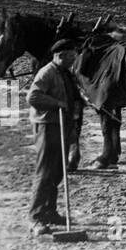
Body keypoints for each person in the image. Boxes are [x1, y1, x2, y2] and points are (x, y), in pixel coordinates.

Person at [26, 41, 81, 236]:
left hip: (61, 126)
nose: (73, 61)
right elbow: (33, 97)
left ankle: (50, 211)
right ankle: (36, 218)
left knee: (57, 171)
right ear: (60, 55)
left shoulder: (64, 72)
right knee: (45, 171)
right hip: (47, 126)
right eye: (71, 57)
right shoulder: (47, 72)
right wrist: (56, 103)